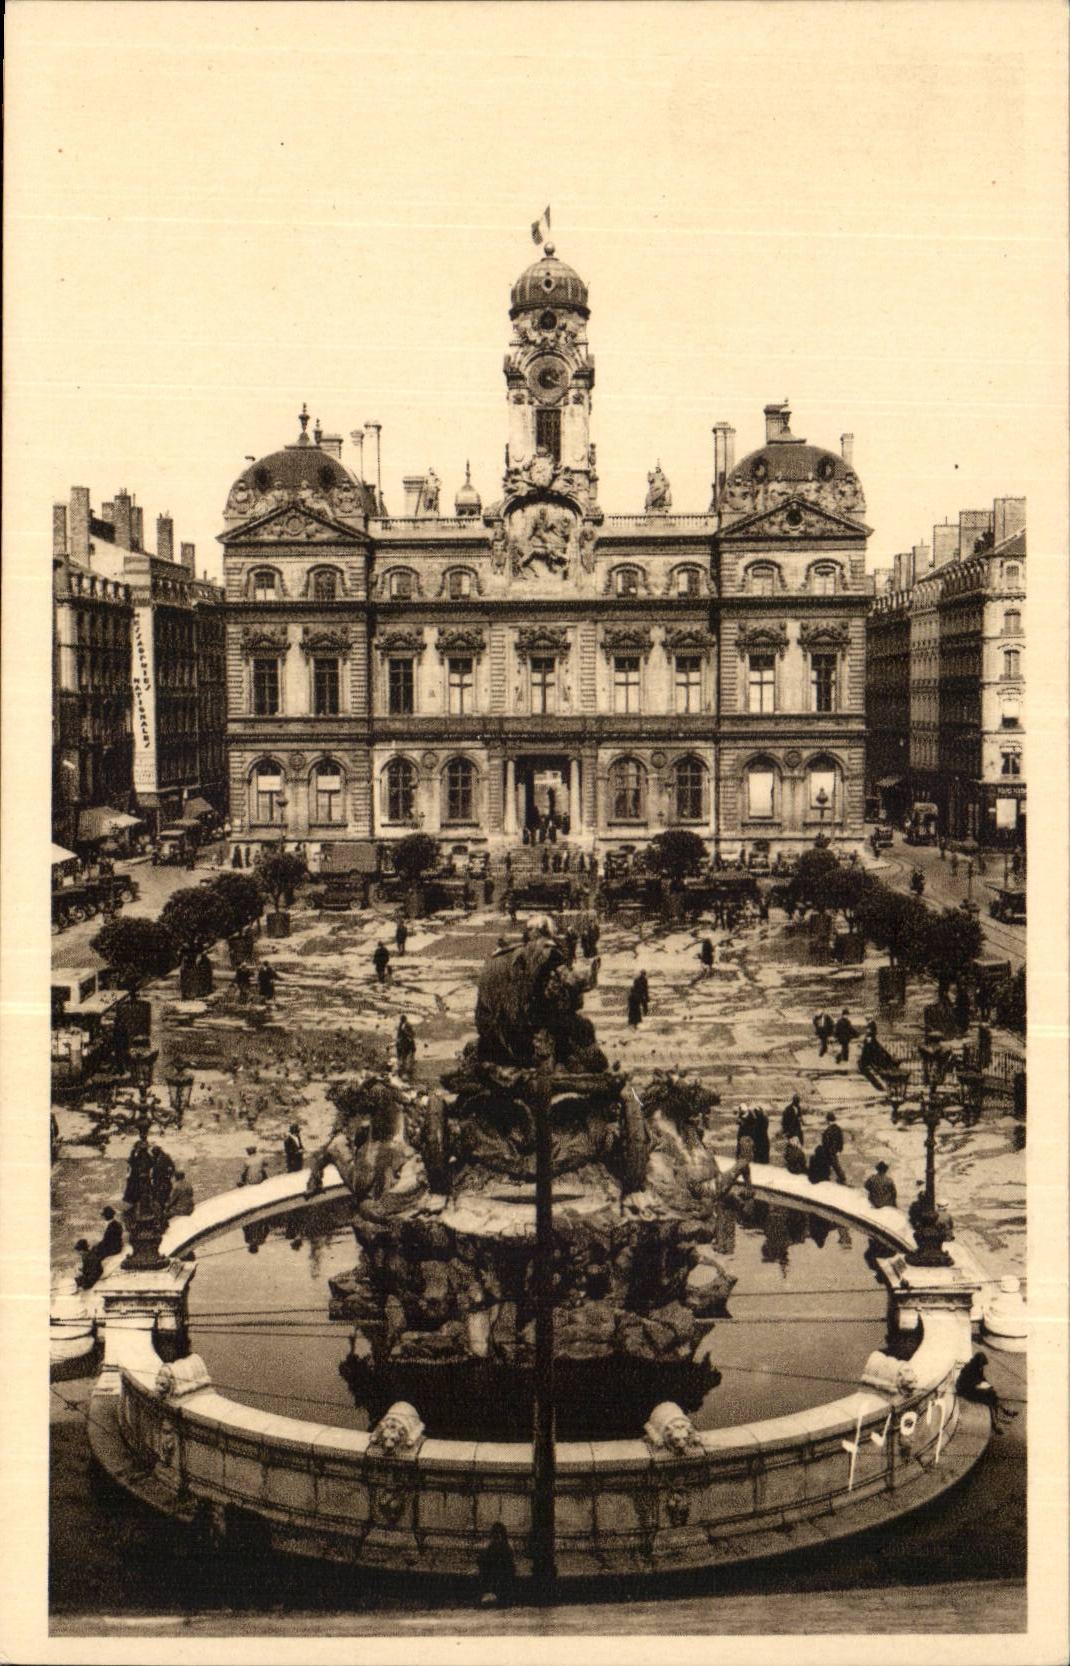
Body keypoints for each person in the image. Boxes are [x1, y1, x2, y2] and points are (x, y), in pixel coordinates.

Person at [957, 1351, 1018, 1433]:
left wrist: (987, 1386)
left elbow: (982, 1379)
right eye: (982, 1365)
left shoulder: (977, 1367)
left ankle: (1004, 1411)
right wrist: (981, 1386)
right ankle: (995, 1423)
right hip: (966, 1391)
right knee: (989, 1400)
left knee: (992, 1394)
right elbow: (967, 1384)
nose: (982, 1367)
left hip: (974, 1389)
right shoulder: (969, 1370)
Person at [821, 1112, 847, 1184]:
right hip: (835, 1150)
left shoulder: (828, 1131)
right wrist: (839, 1149)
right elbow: (841, 1140)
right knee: (835, 1165)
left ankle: (841, 1178)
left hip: (829, 1151)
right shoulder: (838, 1129)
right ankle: (841, 1178)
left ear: (828, 1120)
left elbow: (825, 1143)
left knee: (831, 1165)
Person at [396, 1014, 416, 1079]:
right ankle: (405, 1071)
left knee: (402, 1058)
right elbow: (412, 1034)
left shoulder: (402, 1025)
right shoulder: (405, 1025)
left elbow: (411, 1034)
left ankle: (403, 1071)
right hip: (404, 1044)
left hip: (401, 1043)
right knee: (405, 1057)